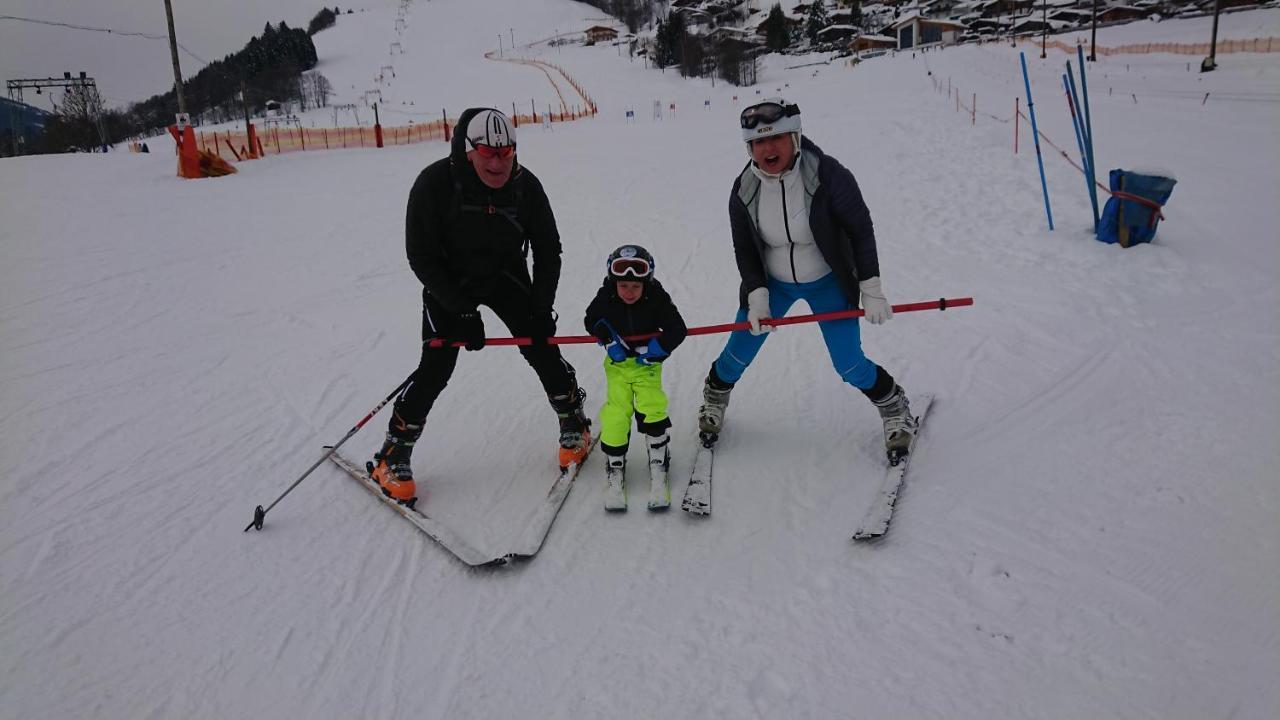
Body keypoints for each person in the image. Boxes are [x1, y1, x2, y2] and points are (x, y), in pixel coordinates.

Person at [370, 108, 590, 505]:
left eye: (506, 152)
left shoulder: (526, 186)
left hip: (506, 275)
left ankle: (573, 419)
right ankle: (394, 451)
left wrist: (542, 308)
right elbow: (420, 255)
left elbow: (548, 250)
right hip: (451, 281)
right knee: (437, 364)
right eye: (488, 152)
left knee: (540, 346)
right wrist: (463, 311)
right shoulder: (434, 183)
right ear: (468, 151)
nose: (497, 161)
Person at [697, 98, 918, 459]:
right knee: (737, 353)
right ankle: (714, 398)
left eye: (776, 138)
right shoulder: (744, 189)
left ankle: (894, 406)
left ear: (795, 137)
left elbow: (860, 229)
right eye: (757, 142)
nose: (767, 149)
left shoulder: (828, 175)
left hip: (828, 280)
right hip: (774, 284)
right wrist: (757, 295)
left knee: (849, 364)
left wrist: (871, 287)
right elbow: (745, 249)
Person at [583, 245, 687, 486]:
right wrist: (608, 339)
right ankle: (615, 460)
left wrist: (658, 350)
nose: (629, 292)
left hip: (646, 363)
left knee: (652, 405)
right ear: (614, 282)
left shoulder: (656, 297)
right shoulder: (606, 296)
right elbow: (591, 320)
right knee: (616, 413)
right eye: (623, 286)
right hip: (618, 364)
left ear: (646, 283)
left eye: (635, 286)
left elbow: (677, 329)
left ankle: (659, 454)